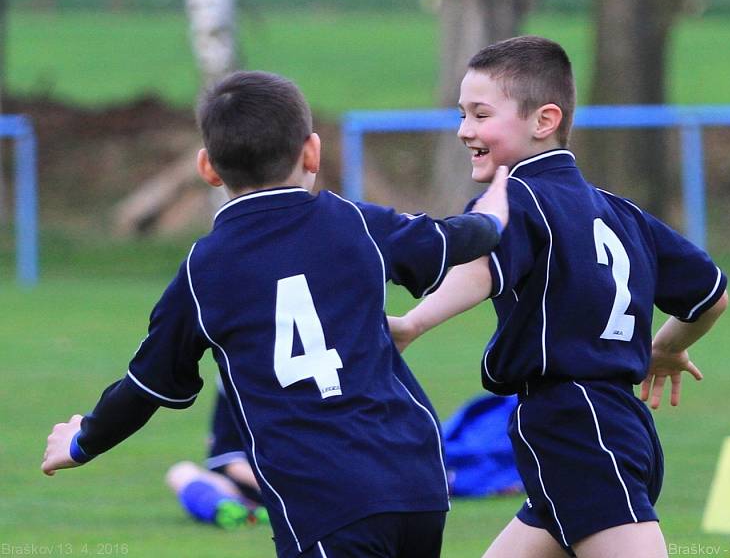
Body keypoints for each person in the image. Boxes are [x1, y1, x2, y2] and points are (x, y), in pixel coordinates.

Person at [42, 70, 511, 558]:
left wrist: (82, 441)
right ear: (312, 152)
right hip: (418, 482)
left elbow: (146, 385)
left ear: (207, 168)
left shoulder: (205, 270)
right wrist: (493, 215)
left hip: (326, 501)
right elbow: (453, 238)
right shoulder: (356, 222)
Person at [388, 36, 729, 558]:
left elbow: (481, 265)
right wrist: (664, 346)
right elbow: (710, 295)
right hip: (615, 423)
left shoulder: (515, 197)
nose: (464, 130)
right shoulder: (619, 210)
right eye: (462, 115)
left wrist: (414, 322)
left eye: (480, 115)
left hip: (574, 424)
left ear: (543, 120)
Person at [165, 385, 267, 529]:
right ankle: (237, 510)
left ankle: (234, 510)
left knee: (181, 472)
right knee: (180, 472)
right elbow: (228, 459)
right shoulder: (232, 384)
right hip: (257, 487)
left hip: (291, 488)